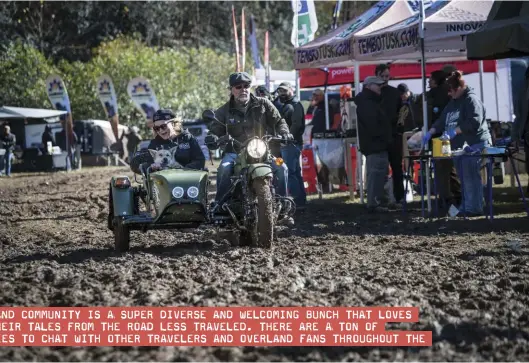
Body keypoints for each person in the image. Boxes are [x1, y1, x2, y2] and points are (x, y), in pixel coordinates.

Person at [204, 71, 292, 207]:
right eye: (238, 87)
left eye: (246, 85)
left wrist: (285, 133)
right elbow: (215, 130)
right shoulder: (224, 111)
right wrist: (213, 138)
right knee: (224, 168)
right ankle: (220, 205)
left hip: (262, 150)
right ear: (231, 90)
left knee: (282, 167)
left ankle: (282, 205)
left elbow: (279, 121)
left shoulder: (264, 104)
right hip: (235, 152)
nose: (243, 89)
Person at [423, 71, 492, 216]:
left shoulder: (471, 100)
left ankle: (474, 208)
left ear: (458, 88)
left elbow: (474, 122)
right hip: (460, 147)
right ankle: (468, 206)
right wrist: (431, 131)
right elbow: (442, 120)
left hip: (476, 144)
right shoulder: (453, 102)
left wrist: (456, 131)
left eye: (451, 92)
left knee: (470, 176)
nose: (449, 95)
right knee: (464, 177)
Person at [355, 76, 392, 213]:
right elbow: (373, 126)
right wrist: (384, 137)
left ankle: (376, 202)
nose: (380, 87)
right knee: (376, 175)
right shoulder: (368, 103)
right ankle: (374, 203)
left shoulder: (369, 101)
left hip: (375, 145)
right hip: (375, 145)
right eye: (377, 85)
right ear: (368, 86)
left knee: (378, 174)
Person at [275, 81, 307, 210]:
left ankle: (296, 201)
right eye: (280, 91)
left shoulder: (295, 105)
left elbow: (297, 125)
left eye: (284, 90)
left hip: (291, 144)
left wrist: (288, 139)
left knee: (290, 172)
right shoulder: (288, 105)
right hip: (289, 143)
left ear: (291, 90)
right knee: (295, 172)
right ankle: (300, 200)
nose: (281, 93)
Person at [376, 63, 404, 204]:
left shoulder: (394, 93)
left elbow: (402, 114)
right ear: (377, 76)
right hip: (380, 137)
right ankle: (381, 197)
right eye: (383, 76)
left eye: (387, 76)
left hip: (393, 135)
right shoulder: (373, 93)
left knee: (397, 168)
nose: (386, 79)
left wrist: (399, 129)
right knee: (380, 169)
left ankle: (399, 197)